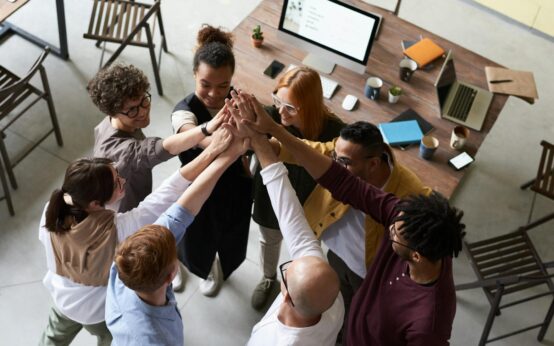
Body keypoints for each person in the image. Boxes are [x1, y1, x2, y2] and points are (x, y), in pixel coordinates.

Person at [241, 96, 466, 345]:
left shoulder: (429, 323)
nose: (389, 227)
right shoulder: (404, 217)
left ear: (415, 256)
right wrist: (272, 131)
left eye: (394, 234)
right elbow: (341, 181)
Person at [38, 129, 231, 345]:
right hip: (97, 312)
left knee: (53, 338)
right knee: (108, 339)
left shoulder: (51, 211)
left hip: (62, 298)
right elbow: (169, 192)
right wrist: (212, 152)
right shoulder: (120, 230)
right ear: (95, 203)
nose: (123, 181)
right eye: (117, 182)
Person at [277, 121, 431, 342]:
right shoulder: (344, 151)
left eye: (344, 163)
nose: (334, 167)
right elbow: (310, 150)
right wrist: (270, 145)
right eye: (336, 158)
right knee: (333, 306)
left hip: (367, 275)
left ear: (374, 164)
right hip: (336, 257)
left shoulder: (410, 195)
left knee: (357, 320)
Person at [89, 63, 224, 291]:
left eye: (144, 100)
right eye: (132, 109)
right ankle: (169, 265)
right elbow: (158, 149)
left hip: (137, 200)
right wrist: (206, 129)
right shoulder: (117, 150)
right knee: (157, 239)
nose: (142, 111)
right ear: (112, 111)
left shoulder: (109, 124)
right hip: (127, 214)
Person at [106, 132, 247, 345]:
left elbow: (181, 211)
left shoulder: (124, 267)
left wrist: (228, 155)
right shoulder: (155, 339)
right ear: (172, 274)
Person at [228, 107, 343, 346]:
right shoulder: (333, 300)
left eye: (285, 271)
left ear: (286, 294)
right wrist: (260, 142)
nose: (297, 256)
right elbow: (290, 214)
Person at [250, 66, 345, 310]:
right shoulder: (269, 116)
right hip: (271, 200)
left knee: (304, 254)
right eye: (277, 101)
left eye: (290, 107)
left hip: (311, 207)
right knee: (269, 241)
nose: (280, 111)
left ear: (310, 107)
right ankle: (268, 277)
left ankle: (296, 287)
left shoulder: (336, 133)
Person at [170, 24, 252, 297]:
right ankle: (178, 266)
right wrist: (218, 142)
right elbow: (191, 135)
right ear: (194, 74)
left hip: (233, 186)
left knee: (230, 236)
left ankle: (215, 269)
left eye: (223, 86)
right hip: (197, 184)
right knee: (191, 235)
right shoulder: (183, 112)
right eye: (205, 84)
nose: (215, 94)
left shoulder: (240, 102)